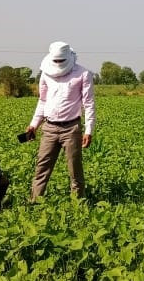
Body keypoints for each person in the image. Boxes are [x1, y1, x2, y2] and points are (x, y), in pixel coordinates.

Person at [25, 41, 96, 201]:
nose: (58, 64)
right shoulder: (46, 73)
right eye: (55, 61)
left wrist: (88, 130)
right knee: (42, 167)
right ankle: (34, 202)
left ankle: (78, 204)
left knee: (74, 169)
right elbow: (42, 101)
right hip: (49, 127)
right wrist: (34, 124)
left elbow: (89, 103)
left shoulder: (83, 74)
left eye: (60, 61)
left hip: (71, 128)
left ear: (69, 57)